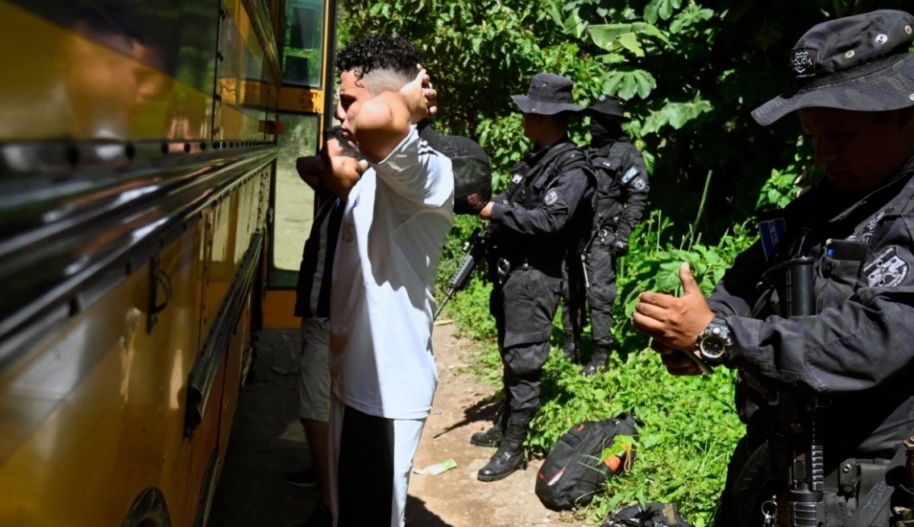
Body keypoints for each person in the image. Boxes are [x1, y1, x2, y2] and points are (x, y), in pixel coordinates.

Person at [632, 10, 914, 526]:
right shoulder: (821, 202)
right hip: (772, 465)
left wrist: (722, 335)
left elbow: (872, 340)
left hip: (869, 488)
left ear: (904, 116)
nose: (826, 153)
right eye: (814, 136)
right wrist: (695, 334)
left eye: (843, 135)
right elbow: (747, 281)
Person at [324, 35, 454, 527]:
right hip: (357, 381)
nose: (342, 114)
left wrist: (408, 96)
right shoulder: (383, 169)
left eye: (347, 101)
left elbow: (378, 117)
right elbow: (342, 145)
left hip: (382, 392)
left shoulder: (426, 174)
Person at [472, 73, 594, 482]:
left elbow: (550, 220)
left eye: (530, 111)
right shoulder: (534, 161)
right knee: (511, 356)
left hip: (538, 277)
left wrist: (495, 211)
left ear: (548, 117)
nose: (524, 117)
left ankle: (514, 447)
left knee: (525, 361)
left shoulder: (573, 168)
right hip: (514, 275)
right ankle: (506, 426)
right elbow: (514, 201)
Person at [283, 128, 356, 527]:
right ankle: (323, 473)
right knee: (320, 407)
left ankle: (330, 507)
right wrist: (336, 154)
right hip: (319, 319)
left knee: (316, 407)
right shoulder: (334, 197)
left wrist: (352, 159)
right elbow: (302, 166)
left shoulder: (357, 203)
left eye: (330, 159)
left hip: (332, 321)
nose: (322, 166)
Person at [562, 95, 650, 375]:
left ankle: (601, 355)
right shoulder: (585, 152)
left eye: (599, 120)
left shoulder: (626, 155)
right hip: (574, 236)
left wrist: (622, 234)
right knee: (570, 292)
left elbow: (638, 197)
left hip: (602, 237)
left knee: (600, 295)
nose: (593, 125)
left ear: (612, 123)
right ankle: (570, 347)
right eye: (592, 119)